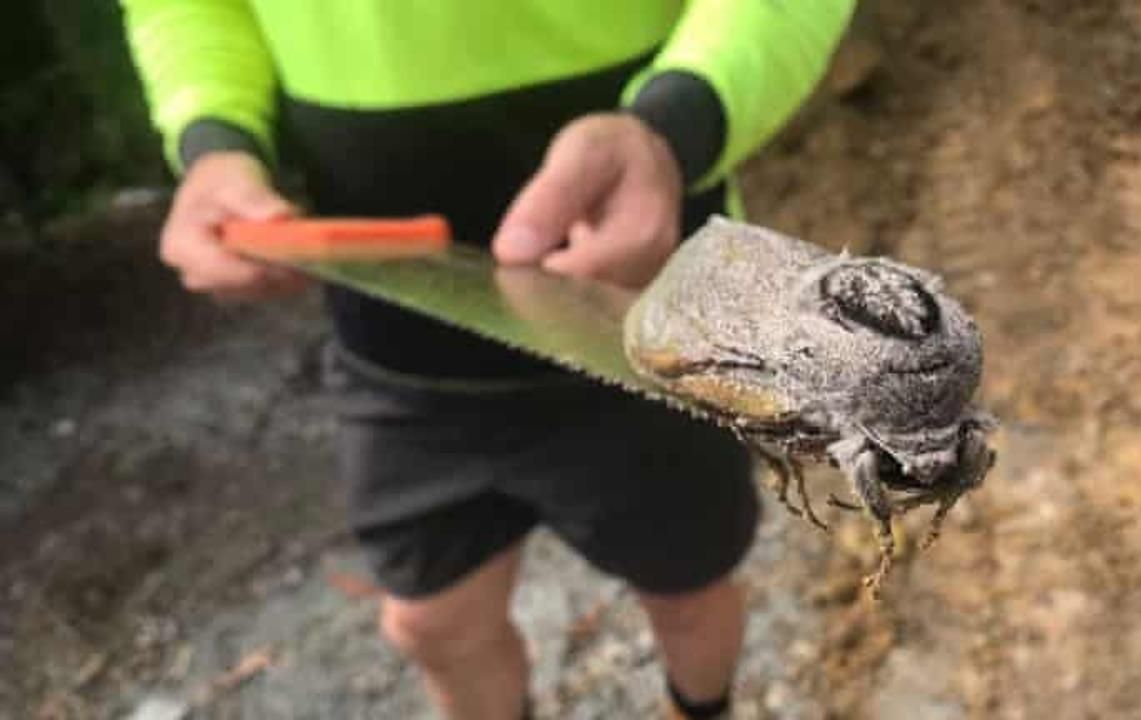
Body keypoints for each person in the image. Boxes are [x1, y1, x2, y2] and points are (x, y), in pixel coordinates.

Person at [120, 2, 854, 718]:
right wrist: (214, 141)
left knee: (690, 593)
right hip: (397, 348)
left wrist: (675, 126)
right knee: (433, 627)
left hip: (643, 329)